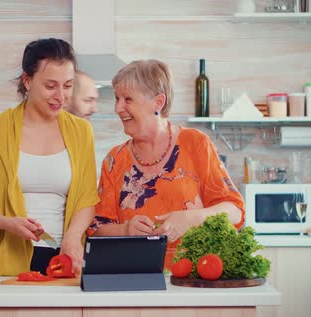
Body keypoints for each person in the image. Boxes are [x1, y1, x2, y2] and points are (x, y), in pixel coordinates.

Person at [0, 38, 99, 276]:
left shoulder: (82, 132)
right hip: (3, 260)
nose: (61, 96)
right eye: (50, 85)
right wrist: (8, 223)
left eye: (68, 85)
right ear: (27, 80)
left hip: (63, 260)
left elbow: (87, 198)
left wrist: (73, 238)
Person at [88, 59, 244, 269]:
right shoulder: (115, 159)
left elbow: (235, 211)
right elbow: (96, 228)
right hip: (136, 277)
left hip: (196, 277)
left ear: (158, 102)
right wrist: (125, 230)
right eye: (117, 98)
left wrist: (192, 218)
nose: (118, 108)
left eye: (127, 99)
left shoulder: (195, 143)